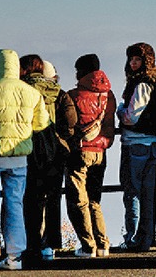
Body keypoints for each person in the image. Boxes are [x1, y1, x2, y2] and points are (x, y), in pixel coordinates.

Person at [117, 42, 156, 252]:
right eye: (131, 59)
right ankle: (146, 238)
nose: (133, 63)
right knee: (148, 193)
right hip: (153, 143)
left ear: (145, 61)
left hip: (135, 142)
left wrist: (120, 111)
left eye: (137, 59)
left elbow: (132, 116)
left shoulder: (142, 83)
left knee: (132, 191)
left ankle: (133, 239)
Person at [0, 50, 50, 271]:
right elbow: (41, 124)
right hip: (19, 156)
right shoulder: (30, 92)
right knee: (14, 204)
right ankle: (14, 257)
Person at [62, 54, 116, 258]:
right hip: (101, 151)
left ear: (81, 71)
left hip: (81, 152)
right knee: (94, 200)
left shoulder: (74, 95)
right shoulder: (108, 94)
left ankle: (88, 247)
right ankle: (103, 245)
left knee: (78, 201)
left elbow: (68, 124)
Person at [19, 55, 70, 262]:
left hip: (31, 151)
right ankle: (50, 246)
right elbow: (71, 121)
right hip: (56, 152)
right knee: (54, 199)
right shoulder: (60, 93)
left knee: (32, 200)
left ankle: (32, 246)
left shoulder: (25, 91)